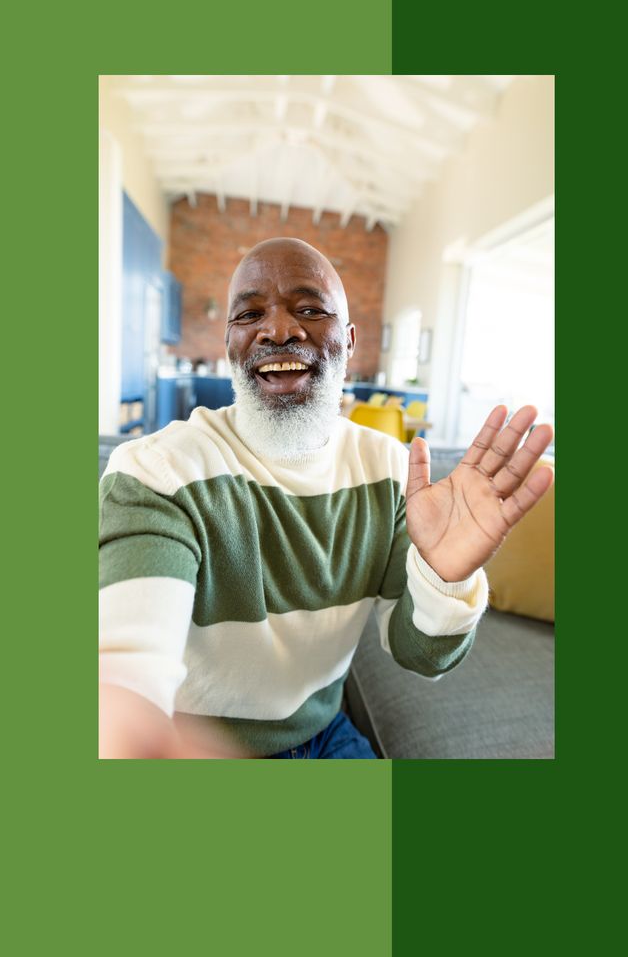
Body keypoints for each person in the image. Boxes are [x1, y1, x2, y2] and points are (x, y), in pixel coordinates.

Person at [99, 238, 554, 758]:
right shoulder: (158, 473)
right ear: (230, 342)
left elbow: (422, 656)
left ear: (349, 340)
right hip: (190, 743)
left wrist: (444, 578)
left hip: (323, 737)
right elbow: (127, 671)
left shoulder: (393, 472)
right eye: (250, 314)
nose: (278, 330)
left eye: (310, 309)